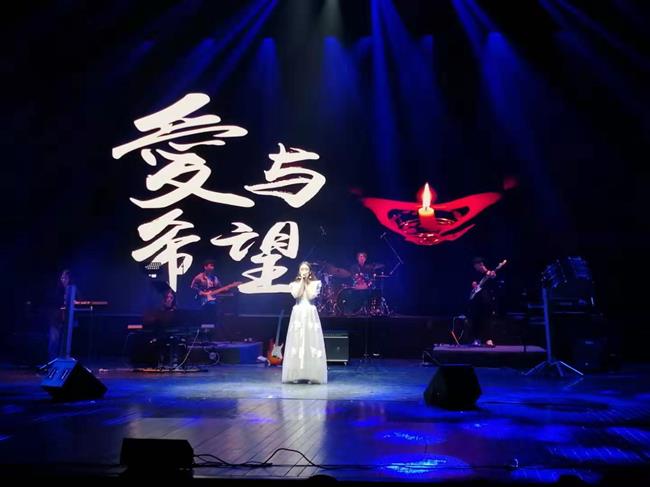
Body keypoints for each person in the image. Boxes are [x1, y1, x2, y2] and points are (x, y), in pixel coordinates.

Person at [282, 262, 328, 384]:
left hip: (309, 313)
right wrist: (302, 281)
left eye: (306, 269)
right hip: (298, 314)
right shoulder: (294, 284)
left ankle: (311, 375)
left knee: (310, 343)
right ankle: (296, 375)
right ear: (299, 271)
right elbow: (296, 294)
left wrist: (307, 282)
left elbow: (311, 296)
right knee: (297, 343)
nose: (304, 271)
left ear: (310, 271)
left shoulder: (316, 283)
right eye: (302, 269)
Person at [48, 269, 78, 360]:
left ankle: (64, 360)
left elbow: (78, 301)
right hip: (56, 319)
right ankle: (52, 361)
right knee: (54, 341)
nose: (63, 280)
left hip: (68, 320)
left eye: (66, 278)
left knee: (65, 342)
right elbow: (54, 303)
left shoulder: (73, 289)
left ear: (70, 279)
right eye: (62, 278)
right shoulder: (57, 290)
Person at [468, 257, 497, 347]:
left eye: (476, 266)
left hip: (486, 300)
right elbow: (473, 283)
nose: (475, 268)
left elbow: (494, 280)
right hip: (476, 301)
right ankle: (476, 339)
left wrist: (491, 275)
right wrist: (474, 285)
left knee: (487, 320)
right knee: (476, 319)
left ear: (481, 265)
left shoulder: (490, 273)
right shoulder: (475, 274)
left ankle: (488, 340)